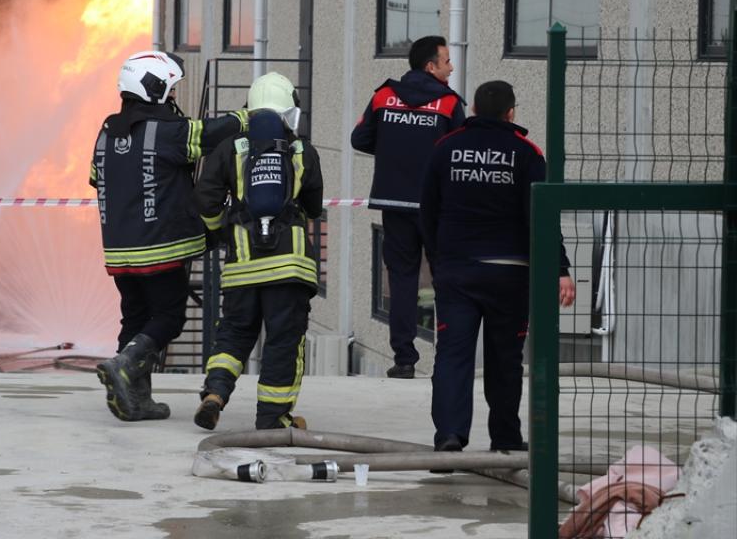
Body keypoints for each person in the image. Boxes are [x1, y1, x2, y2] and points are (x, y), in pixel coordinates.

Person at [90, 50, 249, 422]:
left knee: (134, 318)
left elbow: (98, 179)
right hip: (160, 247)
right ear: (154, 89)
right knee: (169, 317)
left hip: (118, 251)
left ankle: (135, 399)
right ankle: (124, 363)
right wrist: (248, 116)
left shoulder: (106, 132)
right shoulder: (166, 132)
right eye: (171, 89)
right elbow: (210, 134)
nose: (174, 97)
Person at [419, 80, 575, 454]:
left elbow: (427, 211)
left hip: (457, 270)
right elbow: (541, 217)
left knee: (453, 354)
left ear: (472, 110)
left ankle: (450, 434)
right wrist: (560, 268)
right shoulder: (527, 153)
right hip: (510, 272)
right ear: (511, 113)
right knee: (505, 359)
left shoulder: (446, 148)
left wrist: (439, 260)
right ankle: (505, 436)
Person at [192, 73, 325, 431]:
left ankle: (215, 394)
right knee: (283, 342)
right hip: (290, 267)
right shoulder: (302, 151)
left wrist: (223, 229)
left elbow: (205, 198)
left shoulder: (229, 148)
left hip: (242, 264)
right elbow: (313, 208)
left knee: (233, 333)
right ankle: (272, 417)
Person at [350, 35, 465, 379]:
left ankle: (404, 360)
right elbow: (460, 151)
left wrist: (394, 148)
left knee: (402, 280)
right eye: (447, 61)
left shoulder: (384, 95)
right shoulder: (448, 103)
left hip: (394, 202)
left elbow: (359, 139)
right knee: (446, 279)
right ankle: (448, 357)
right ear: (430, 66)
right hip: (435, 207)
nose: (451, 67)